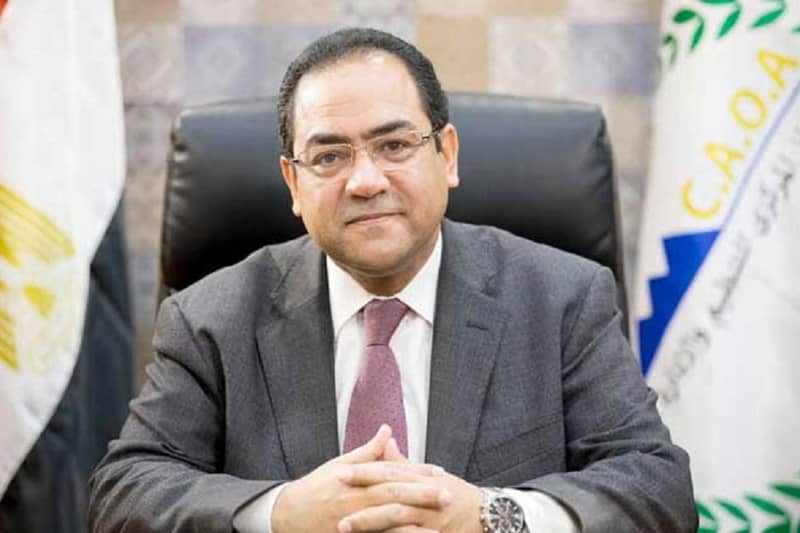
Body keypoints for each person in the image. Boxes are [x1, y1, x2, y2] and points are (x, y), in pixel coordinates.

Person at [89, 27, 697, 533]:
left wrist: (492, 515)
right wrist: (281, 512)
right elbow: (125, 493)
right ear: (294, 183)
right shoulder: (210, 317)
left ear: (447, 155)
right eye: (329, 157)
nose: (365, 181)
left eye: (395, 145)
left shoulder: (562, 298)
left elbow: (656, 488)